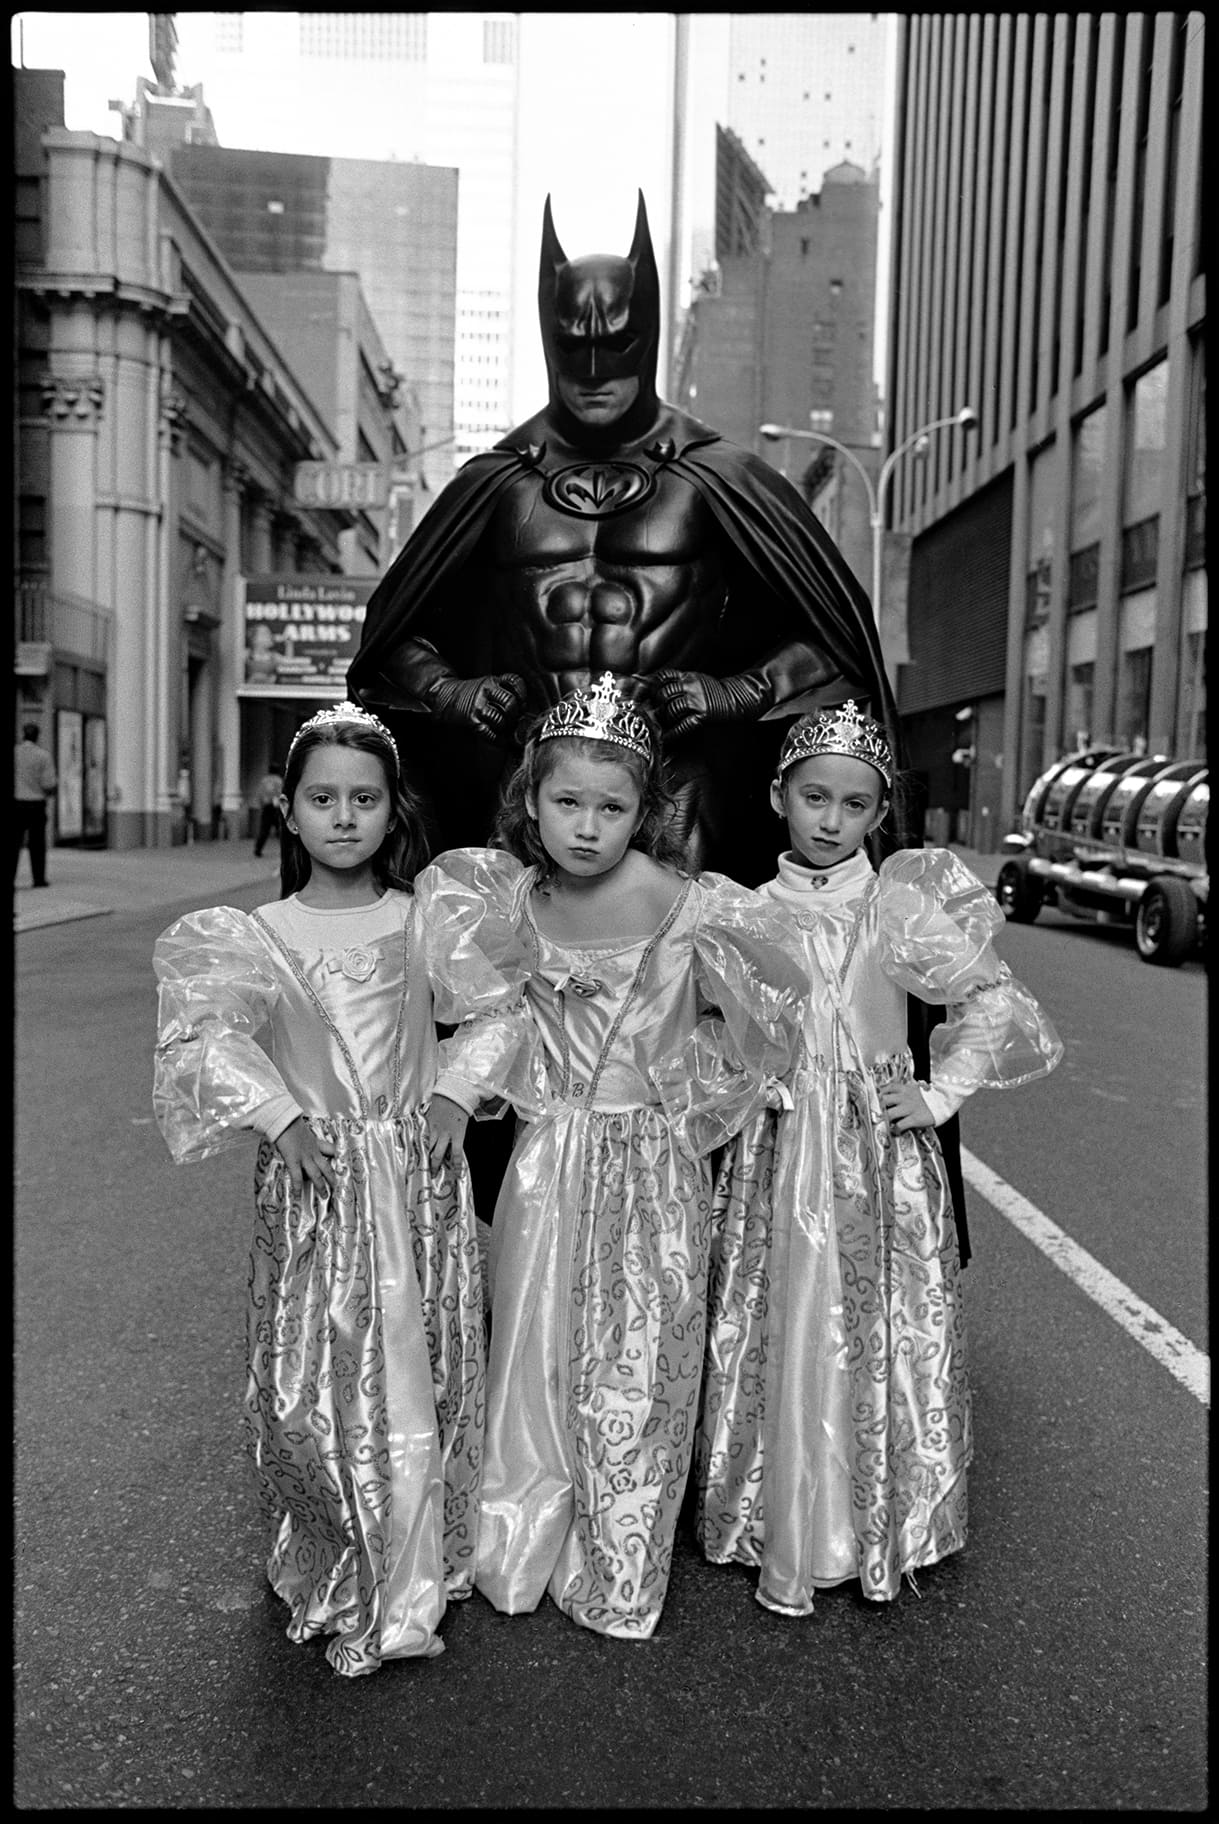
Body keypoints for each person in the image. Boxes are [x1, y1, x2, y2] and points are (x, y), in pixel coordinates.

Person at [347, 190, 906, 887]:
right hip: (529, 782)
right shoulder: (499, 482)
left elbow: (834, 636)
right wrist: (446, 689)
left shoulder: (715, 476)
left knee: (672, 974)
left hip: (674, 785)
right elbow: (391, 635)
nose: (591, 370)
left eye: (615, 343)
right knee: (509, 979)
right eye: (573, 345)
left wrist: (742, 690)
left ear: (646, 333)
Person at [151, 702, 529, 1676]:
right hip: (316, 1186)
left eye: (363, 798)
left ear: (390, 809)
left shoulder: (420, 921)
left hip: (410, 1185)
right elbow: (206, 1037)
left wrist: (451, 1093)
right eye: (323, 797)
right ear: (289, 808)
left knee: (414, 1367)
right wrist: (281, 1117)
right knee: (315, 1379)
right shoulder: (258, 933)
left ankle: (408, 1555)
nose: (345, 817)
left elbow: (495, 1013)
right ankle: (335, 1543)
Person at [431, 673, 807, 1639]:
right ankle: (520, 1529)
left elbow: (757, 1024)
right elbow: (489, 1021)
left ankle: (619, 1548)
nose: (587, 828)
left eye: (612, 806)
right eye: (566, 803)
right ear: (531, 800)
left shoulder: (691, 907)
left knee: (640, 1350)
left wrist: (693, 1095)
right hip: (548, 1157)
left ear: (646, 810)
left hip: (652, 1161)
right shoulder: (506, 900)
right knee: (532, 1337)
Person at [695, 702, 1063, 1614]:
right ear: (778, 795)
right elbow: (704, 1028)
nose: (830, 820)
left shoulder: (895, 906)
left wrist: (936, 1096)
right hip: (776, 1151)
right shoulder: (742, 910)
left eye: (853, 806)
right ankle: (769, 1508)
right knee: (775, 1311)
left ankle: (873, 1518)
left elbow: (987, 999)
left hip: (872, 1151)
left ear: (877, 814)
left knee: (870, 1320)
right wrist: (745, 1078)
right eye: (813, 797)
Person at [14, 721, 57, 888]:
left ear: (23, 734)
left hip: (16, 804)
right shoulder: (43, 755)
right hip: (36, 804)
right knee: (37, 844)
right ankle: (38, 879)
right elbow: (48, 784)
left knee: (14, 843)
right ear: (37, 736)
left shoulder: (15, 753)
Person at [252, 761, 284, 857]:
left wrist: (260, 803)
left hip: (266, 807)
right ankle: (286, 850)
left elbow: (260, 793)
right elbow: (281, 793)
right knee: (281, 830)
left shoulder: (264, 780)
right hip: (276, 807)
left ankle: (258, 849)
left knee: (264, 829)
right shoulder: (279, 781)